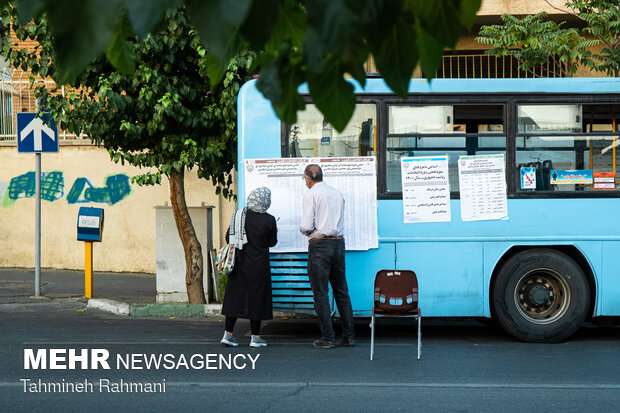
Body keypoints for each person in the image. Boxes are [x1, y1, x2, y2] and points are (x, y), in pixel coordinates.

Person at [300, 164, 355, 349]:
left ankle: (328, 338)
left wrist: (305, 230)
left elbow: (306, 226)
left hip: (319, 246)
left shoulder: (311, 194)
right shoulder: (337, 194)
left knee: (321, 294)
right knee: (342, 292)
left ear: (308, 179)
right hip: (339, 243)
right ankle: (349, 337)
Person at [221, 187, 278, 348]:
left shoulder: (238, 215)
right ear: (265, 201)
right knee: (257, 299)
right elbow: (272, 242)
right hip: (259, 266)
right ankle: (255, 337)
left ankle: (228, 335)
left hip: (238, 263)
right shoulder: (269, 220)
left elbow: (228, 237)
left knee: (234, 298)